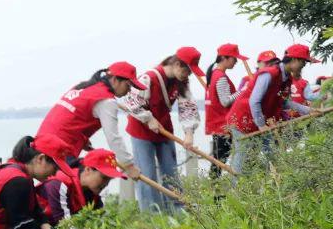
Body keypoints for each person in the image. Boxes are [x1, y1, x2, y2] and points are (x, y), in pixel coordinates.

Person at [123, 47, 202, 211]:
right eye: (187, 71)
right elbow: (131, 102)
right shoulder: (149, 77)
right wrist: (149, 119)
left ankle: (177, 209)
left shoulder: (181, 82)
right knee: (147, 174)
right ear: (178, 64)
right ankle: (152, 213)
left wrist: (189, 134)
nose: (188, 76)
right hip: (142, 131)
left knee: (170, 171)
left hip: (164, 129)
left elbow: (187, 106)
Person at [35, 61, 144, 179]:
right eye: (128, 85)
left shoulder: (85, 87)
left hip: (40, 142)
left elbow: (70, 117)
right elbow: (113, 138)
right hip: (57, 149)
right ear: (114, 80)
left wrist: (82, 140)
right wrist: (129, 166)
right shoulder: (106, 101)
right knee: (68, 188)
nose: (128, 91)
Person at [226, 43, 317, 173]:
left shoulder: (286, 79)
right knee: (241, 158)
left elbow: (283, 102)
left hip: (260, 122)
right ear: (295, 60)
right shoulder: (269, 74)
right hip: (243, 120)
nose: (304, 66)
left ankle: (277, 184)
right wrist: (261, 125)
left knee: (273, 155)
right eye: (304, 62)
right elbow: (254, 100)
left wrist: (309, 111)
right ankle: (235, 191)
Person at [37, 148, 126, 226]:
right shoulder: (59, 184)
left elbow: (100, 224)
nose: (106, 184)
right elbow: (65, 227)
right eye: (104, 178)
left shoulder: (93, 197)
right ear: (88, 169)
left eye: (109, 180)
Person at [203, 43, 247, 180]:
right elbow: (225, 101)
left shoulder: (215, 75)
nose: (236, 62)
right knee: (219, 162)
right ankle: (216, 196)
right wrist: (243, 91)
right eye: (234, 59)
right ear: (224, 58)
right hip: (222, 125)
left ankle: (216, 192)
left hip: (217, 124)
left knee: (218, 161)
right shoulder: (220, 77)